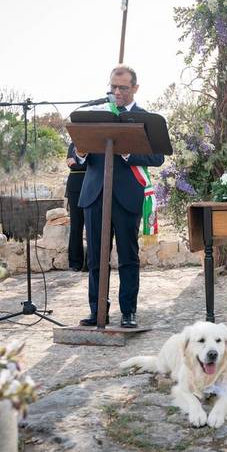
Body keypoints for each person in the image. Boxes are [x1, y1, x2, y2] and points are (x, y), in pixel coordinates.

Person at [74, 65, 163, 328]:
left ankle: (128, 312)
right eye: (113, 86)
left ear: (135, 88)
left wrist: (127, 152)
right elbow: (79, 153)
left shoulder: (146, 118)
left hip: (126, 195)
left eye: (123, 87)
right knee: (96, 258)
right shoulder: (95, 115)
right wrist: (79, 152)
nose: (117, 91)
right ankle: (96, 310)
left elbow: (157, 157)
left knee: (127, 256)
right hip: (95, 194)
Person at [65, 142, 87, 272]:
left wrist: (78, 164)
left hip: (92, 186)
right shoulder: (73, 144)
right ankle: (75, 262)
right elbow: (70, 164)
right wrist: (80, 164)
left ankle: (91, 262)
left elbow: (89, 164)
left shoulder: (95, 143)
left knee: (93, 226)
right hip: (74, 188)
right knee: (76, 225)